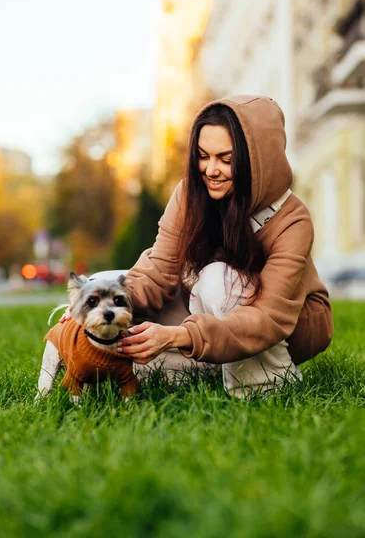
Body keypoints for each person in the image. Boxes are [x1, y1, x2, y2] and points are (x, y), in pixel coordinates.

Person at [66, 96, 334, 397]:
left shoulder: (291, 219)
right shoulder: (190, 194)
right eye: (203, 156)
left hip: (286, 325)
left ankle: (263, 384)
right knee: (107, 281)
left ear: (257, 160)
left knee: (217, 278)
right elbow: (158, 271)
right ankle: (206, 365)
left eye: (226, 159)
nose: (210, 169)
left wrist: (179, 336)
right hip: (207, 308)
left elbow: (267, 316)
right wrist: (86, 305)